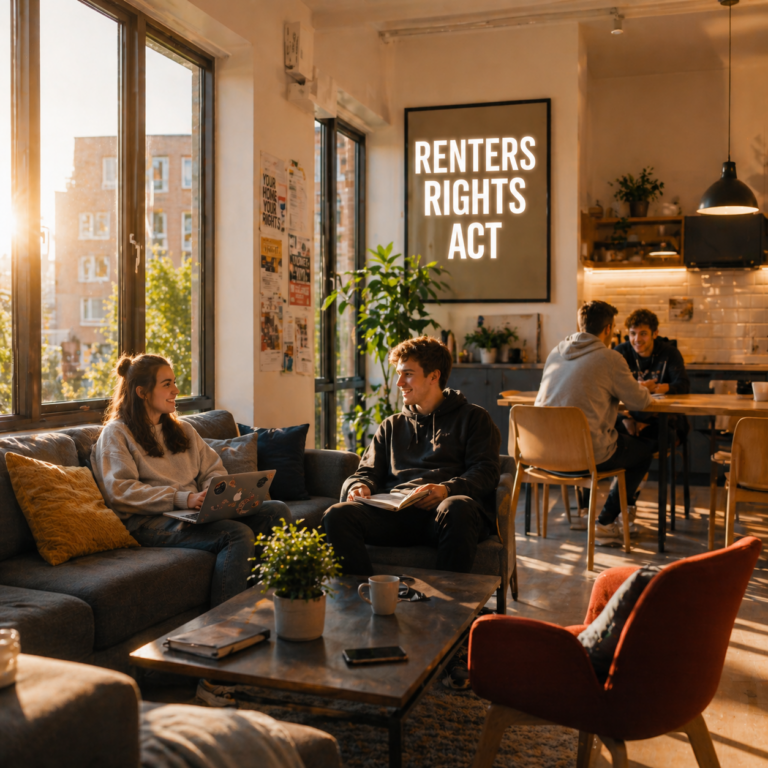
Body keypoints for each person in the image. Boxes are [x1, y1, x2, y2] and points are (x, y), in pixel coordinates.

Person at [92, 353, 291, 607]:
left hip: (193, 512)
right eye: (167, 384)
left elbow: (212, 469)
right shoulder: (117, 433)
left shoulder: (183, 429)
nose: (176, 390)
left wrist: (214, 493)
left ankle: (274, 602)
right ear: (142, 392)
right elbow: (121, 491)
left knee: (277, 510)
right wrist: (184, 498)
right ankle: (225, 623)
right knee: (236, 535)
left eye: (174, 382)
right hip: (149, 522)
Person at [323, 336, 500, 576]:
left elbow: (486, 471)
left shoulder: (474, 418)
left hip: (443, 516)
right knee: (337, 515)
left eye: (407, 374)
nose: (399, 383)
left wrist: (446, 489)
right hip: (396, 515)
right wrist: (359, 485)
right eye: (398, 374)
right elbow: (366, 471)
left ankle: (448, 608)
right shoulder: (392, 425)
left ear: (434, 376)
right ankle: (368, 597)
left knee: (457, 507)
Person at [534, 301, 654, 545]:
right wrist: (645, 388)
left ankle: (587, 512)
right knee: (644, 451)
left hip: (543, 455)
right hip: (585, 456)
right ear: (608, 329)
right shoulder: (610, 358)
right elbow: (640, 403)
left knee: (612, 430)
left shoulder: (555, 352)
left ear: (581, 324)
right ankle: (605, 522)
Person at [614, 307, 690, 444]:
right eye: (632, 333)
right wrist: (626, 418)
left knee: (663, 435)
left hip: (661, 418)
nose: (637, 339)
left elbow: (683, 385)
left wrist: (654, 388)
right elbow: (610, 388)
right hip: (628, 416)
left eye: (643, 333)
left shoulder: (670, 352)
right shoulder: (620, 352)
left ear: (655, 334)